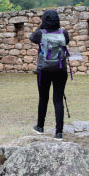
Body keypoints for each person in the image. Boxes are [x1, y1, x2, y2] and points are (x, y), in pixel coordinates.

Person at [29, 9, 70, 141]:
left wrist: (42, 26)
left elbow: (31, 37)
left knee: (43, 98)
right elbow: (67, 42)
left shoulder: (40, 33)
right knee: (58, 100)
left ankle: (40, 127)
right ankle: (59, 132)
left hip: (44, 70)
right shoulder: (63, 32)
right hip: (60, 70)